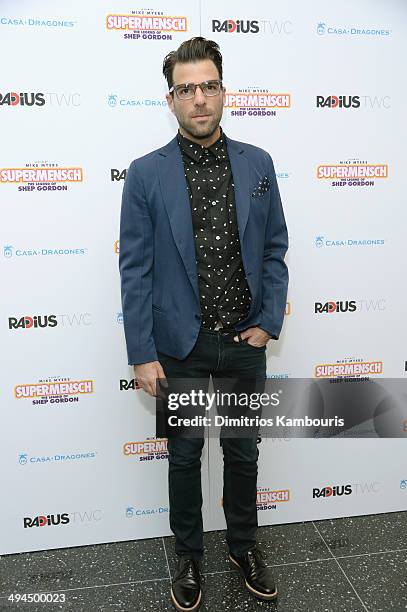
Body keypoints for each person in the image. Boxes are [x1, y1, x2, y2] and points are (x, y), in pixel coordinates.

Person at [119, 36, 289, 611]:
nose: (199, 99)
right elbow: (135, 269)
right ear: (171, 100)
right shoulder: (145, 175)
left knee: (244, 453)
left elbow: (274, 251)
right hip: (181, 347)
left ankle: (244, 545)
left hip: (244, 341)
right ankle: (188, 555)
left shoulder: (258, 164)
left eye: (208, 86)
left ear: (223, 92)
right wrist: (142, 353)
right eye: (186, 89)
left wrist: (267, 322)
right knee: (186, 455)